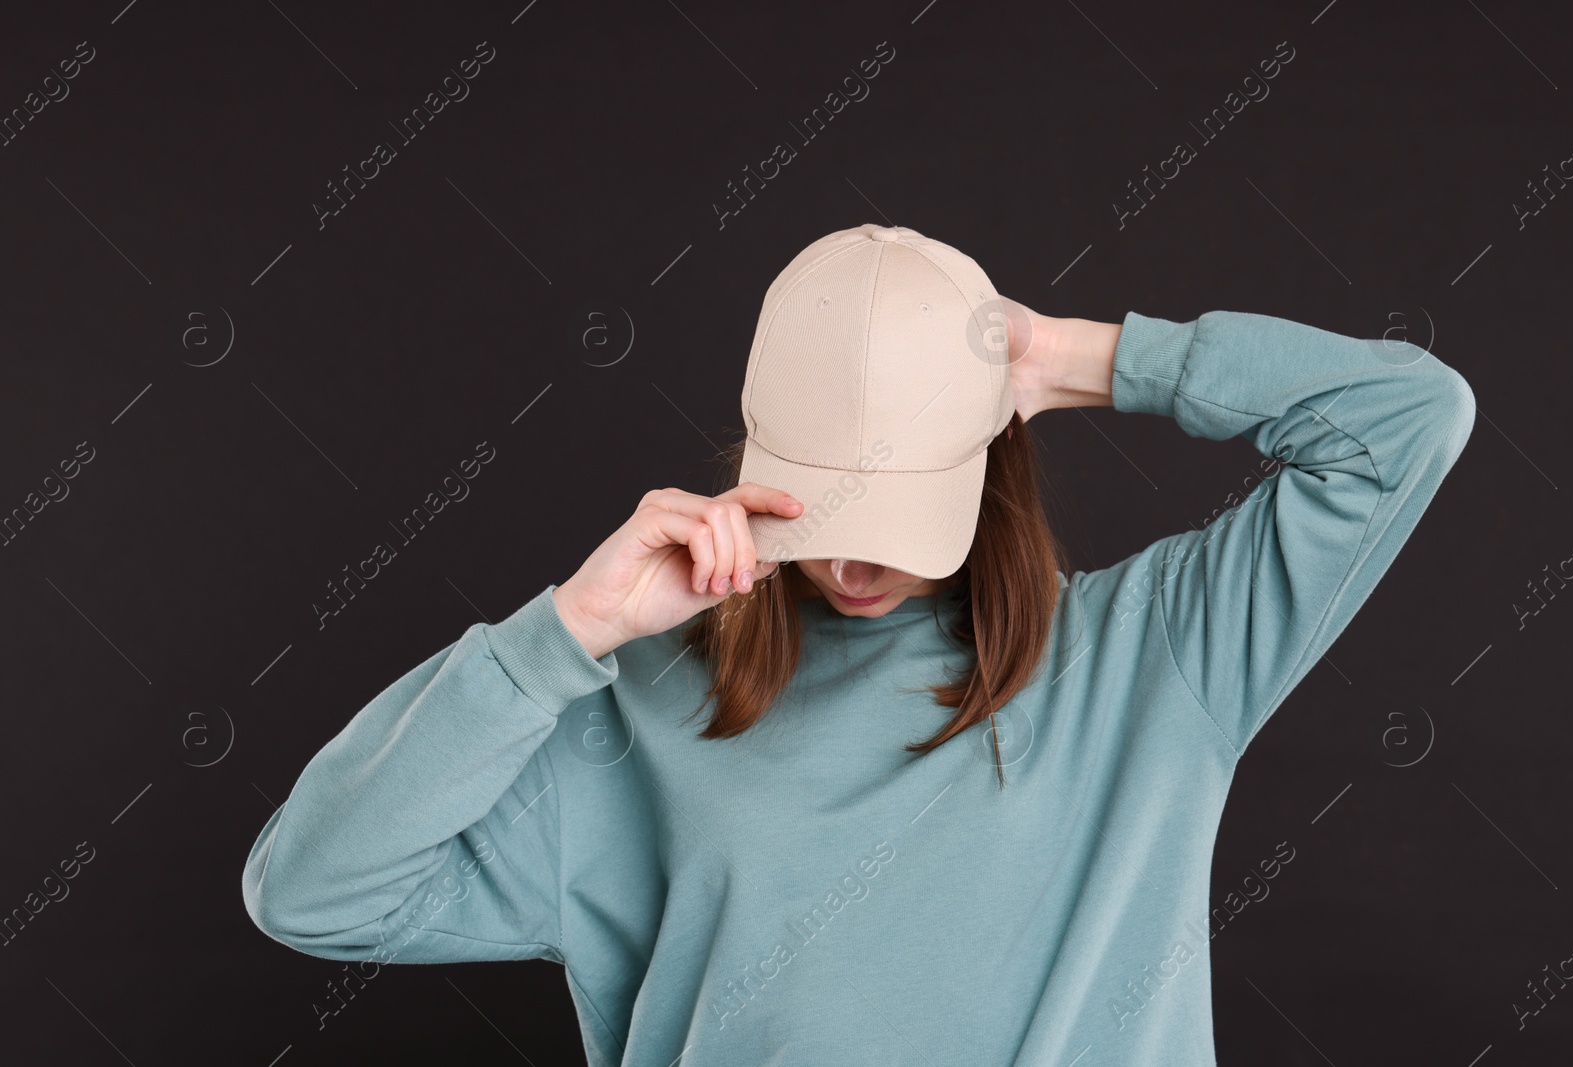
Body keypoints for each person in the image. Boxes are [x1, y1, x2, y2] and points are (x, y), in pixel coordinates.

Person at [242, 224, 1476, 1065]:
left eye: (895, 513)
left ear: (991, 464)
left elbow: (1408, 417)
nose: (850, 561)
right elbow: (310, 892)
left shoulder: (1156, 655)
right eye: (824, 506)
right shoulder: (635, 712)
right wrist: (568, 631)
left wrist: (1068, 359)